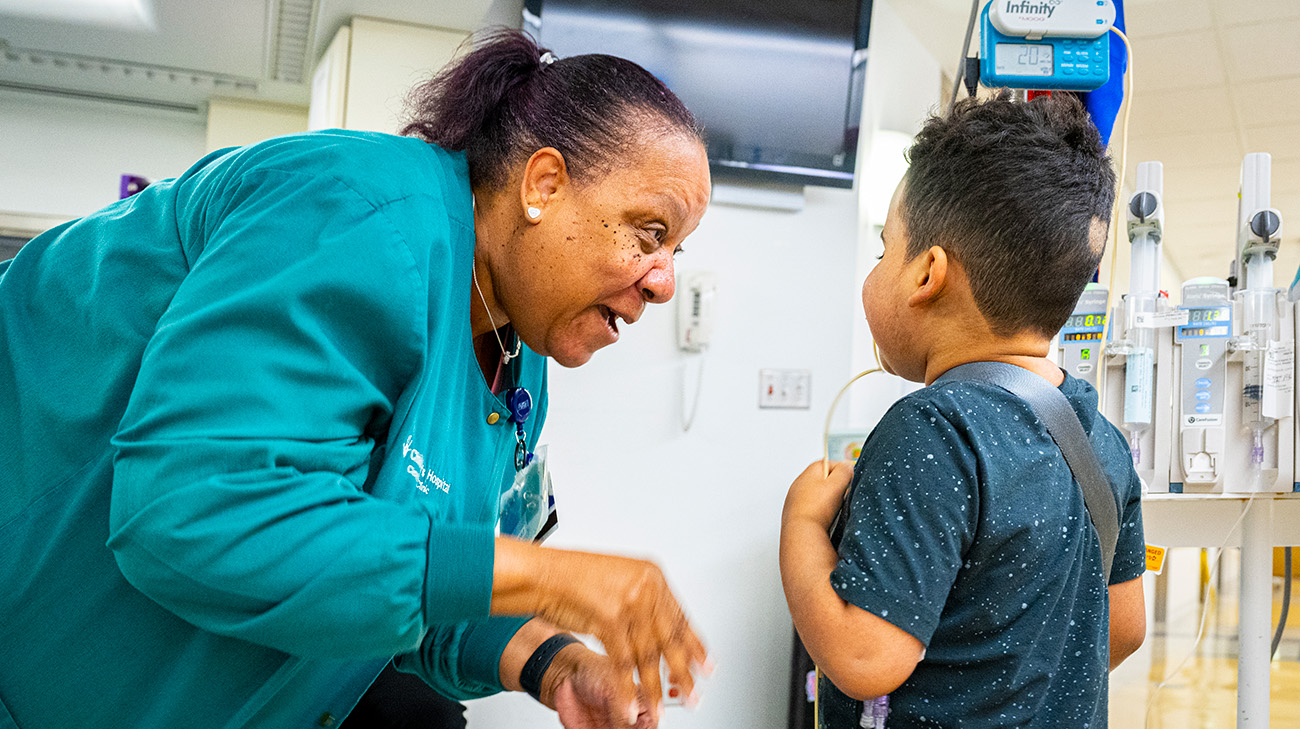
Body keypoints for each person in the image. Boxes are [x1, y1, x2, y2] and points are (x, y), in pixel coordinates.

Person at [0, 30, 711, 729]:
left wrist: (551, 662)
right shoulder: (352, 214)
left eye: (677, 250)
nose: (664, 283)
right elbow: (190, 510)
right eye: (649, 233)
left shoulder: (515, 364)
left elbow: (418, 583)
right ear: (544, 184)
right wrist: (550, 576)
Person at [779, 94, 1147, 728]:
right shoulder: (1102, 441)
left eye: (883, 251)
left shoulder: (932, 430)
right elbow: (1125, 627)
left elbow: (864, 657)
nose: (876, 268)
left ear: (927, 273)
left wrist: (801, 531)